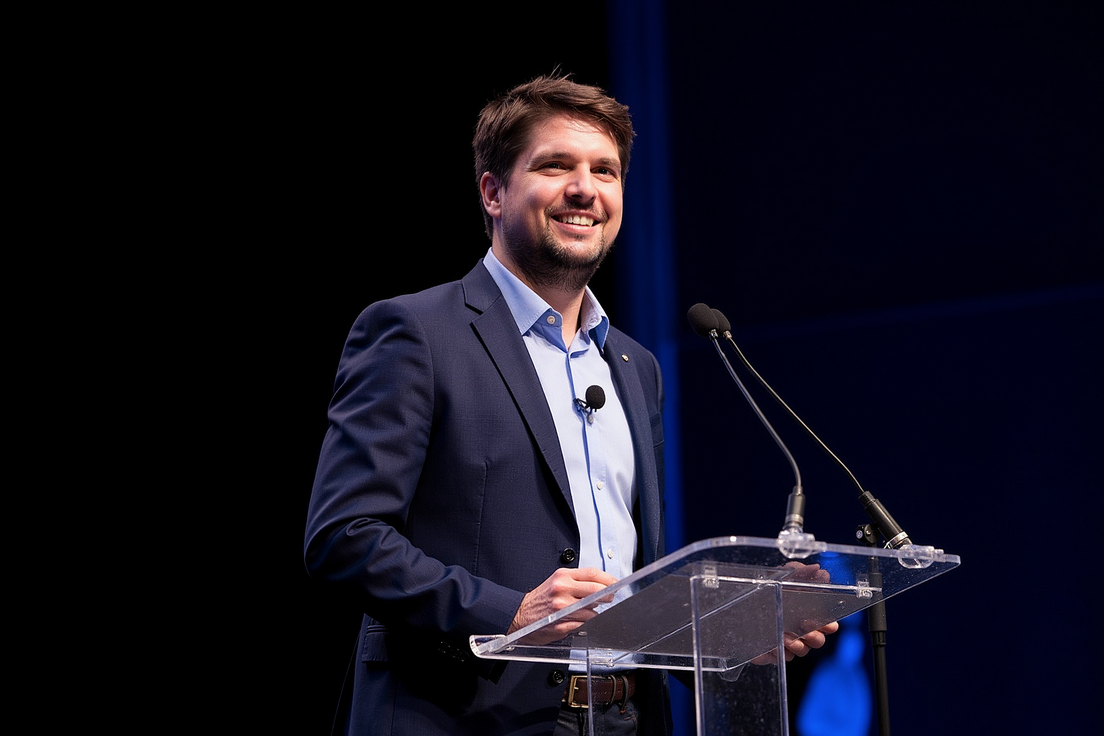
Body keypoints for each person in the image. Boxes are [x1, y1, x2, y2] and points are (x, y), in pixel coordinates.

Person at [304, 74, 835, 736]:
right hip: (465, 716)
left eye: (604, 171)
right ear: (493, 192)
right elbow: (344, 538)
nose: (585, 187)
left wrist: (723, 639)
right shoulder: (416, 333)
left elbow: (630, 582)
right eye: (556, 165)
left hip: (627, 718)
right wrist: (508, 610)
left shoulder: (636, 367)